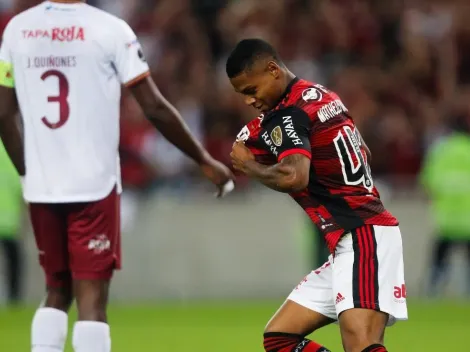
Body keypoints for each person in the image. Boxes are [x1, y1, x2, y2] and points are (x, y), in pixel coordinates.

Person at [0, 1, 233, 352]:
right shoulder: (110, 30)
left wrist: (28, 172)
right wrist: (201, 157)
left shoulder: (18, 29)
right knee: (91, 300)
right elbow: (153, 106)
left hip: (43, 187)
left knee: (56, 290)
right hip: (93, 186)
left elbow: (3, 113)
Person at [228, 39, 407, 352]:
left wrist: (250, 166)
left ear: (272, 70)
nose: (248, 101)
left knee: (361, 344)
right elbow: (350, 150)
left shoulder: (285, 115)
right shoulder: (321, 95)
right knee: (279, 338)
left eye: (250, 90)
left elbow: (295, 176)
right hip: (352, 239)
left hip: (362, 233)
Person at [420, 116, 470, 297]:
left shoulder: (440, 151)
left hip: (446, 220)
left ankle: (433, 293)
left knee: (440, 259)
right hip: (468, 220)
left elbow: (427, 183)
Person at [0, 139, 23, 305]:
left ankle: (13, 298)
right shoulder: (11, 148)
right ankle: (14, 297)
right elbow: (20, 183)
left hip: (8, 222)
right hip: (9, 221)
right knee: (13, 262)